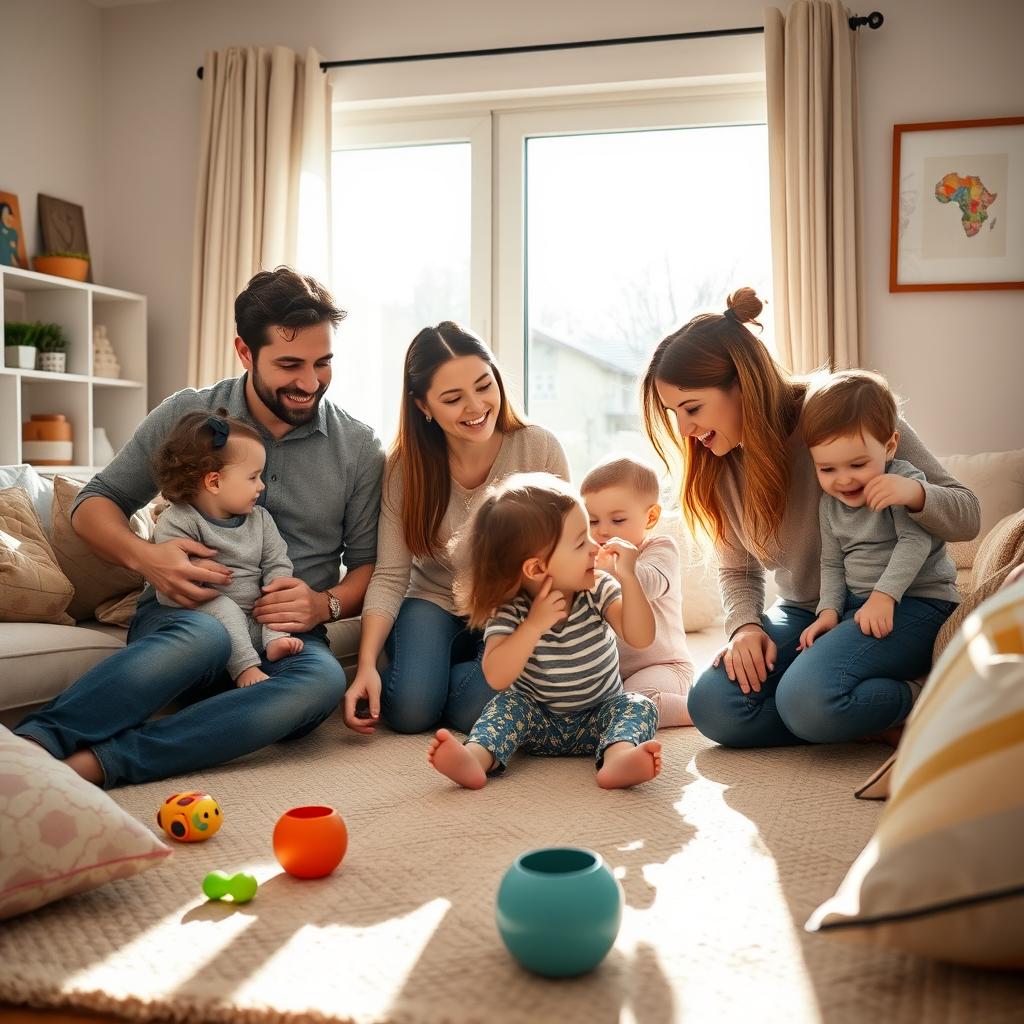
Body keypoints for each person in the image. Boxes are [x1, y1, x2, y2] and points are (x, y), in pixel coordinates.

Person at [15, 267, 384, 786]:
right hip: (186, 623)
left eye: (323, 363)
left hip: (285, 639)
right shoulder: (189, 414)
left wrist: (326, 603)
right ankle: (37, 742)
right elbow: (97, 501)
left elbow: (371, 565)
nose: (309, 382)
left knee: (319, 684)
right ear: (244, 352)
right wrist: (146, 558)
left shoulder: (359, 448)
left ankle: (101, 766)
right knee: (207, 636)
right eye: (289, 364)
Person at [641, 287, 979, 747]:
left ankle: (919, 698)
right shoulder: (719, 464)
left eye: (692, 408)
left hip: (903, 603)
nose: (683, 429)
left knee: (807, 700)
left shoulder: (841, 410)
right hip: (808, 612)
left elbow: (966, 514)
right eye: (673, 413)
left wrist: (915, 494)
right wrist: (745, 628)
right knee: (714, 708)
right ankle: (840, 708)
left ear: (741, 382)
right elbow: (737, 568)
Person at [343, 321, 568, 736]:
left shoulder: (538, 447)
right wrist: (367, 665)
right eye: (452, 398)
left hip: (510, 605)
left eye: (484, 386)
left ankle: (442, 669)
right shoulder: (403, 469)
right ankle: (425, 666)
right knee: (411, 714)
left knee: (472, 715)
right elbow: (391, 574)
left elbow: (564, 552)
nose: (476, 406)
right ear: (423, 406)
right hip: (433, 599)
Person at [426, 473, 663, 790]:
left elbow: (641, 637)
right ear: (536, 569)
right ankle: (475, 758)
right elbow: (496, 677)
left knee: (638, 705)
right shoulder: (511, 609)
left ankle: (618, 757)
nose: (596, 548)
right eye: (581, 542)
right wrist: (533, 626)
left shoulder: (597, 587)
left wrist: (629, 578)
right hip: (536, 721)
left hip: (600, 716)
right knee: (505, 706)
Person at [795, 371, 959, 702]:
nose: (843, 480)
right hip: (860, 605)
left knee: (818, 685)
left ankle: (918, 697)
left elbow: (915, 542)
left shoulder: (902, 482)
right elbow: (831, 562)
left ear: (889, 447)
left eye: (857, 464)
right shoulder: (829, 505)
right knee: (805, 669)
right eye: (827, 469)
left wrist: (884, 597)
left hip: (921, 601)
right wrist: (828, 610)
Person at [152, 410, 305, 687]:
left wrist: (277, 586)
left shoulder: (260, 519)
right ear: (214, 481)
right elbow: (170, 584)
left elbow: (276, 560)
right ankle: (245, 668)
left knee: (279, 599)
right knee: (224, 607)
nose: (261, 486)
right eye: (253, 477)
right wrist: (194, 573)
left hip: (255, 613)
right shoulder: (179, 521)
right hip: (207, 612)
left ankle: (275, 642)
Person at [581, 455, 694, 727]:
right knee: (587, 709)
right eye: (593, 522)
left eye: (617, 520)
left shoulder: (660, 548)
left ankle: (697, 711)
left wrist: (619, 569)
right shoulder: (591, 556)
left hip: (665, 667)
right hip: (613, 673)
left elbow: (651, 584)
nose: (603, 531)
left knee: (636, 701)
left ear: (651, 516)